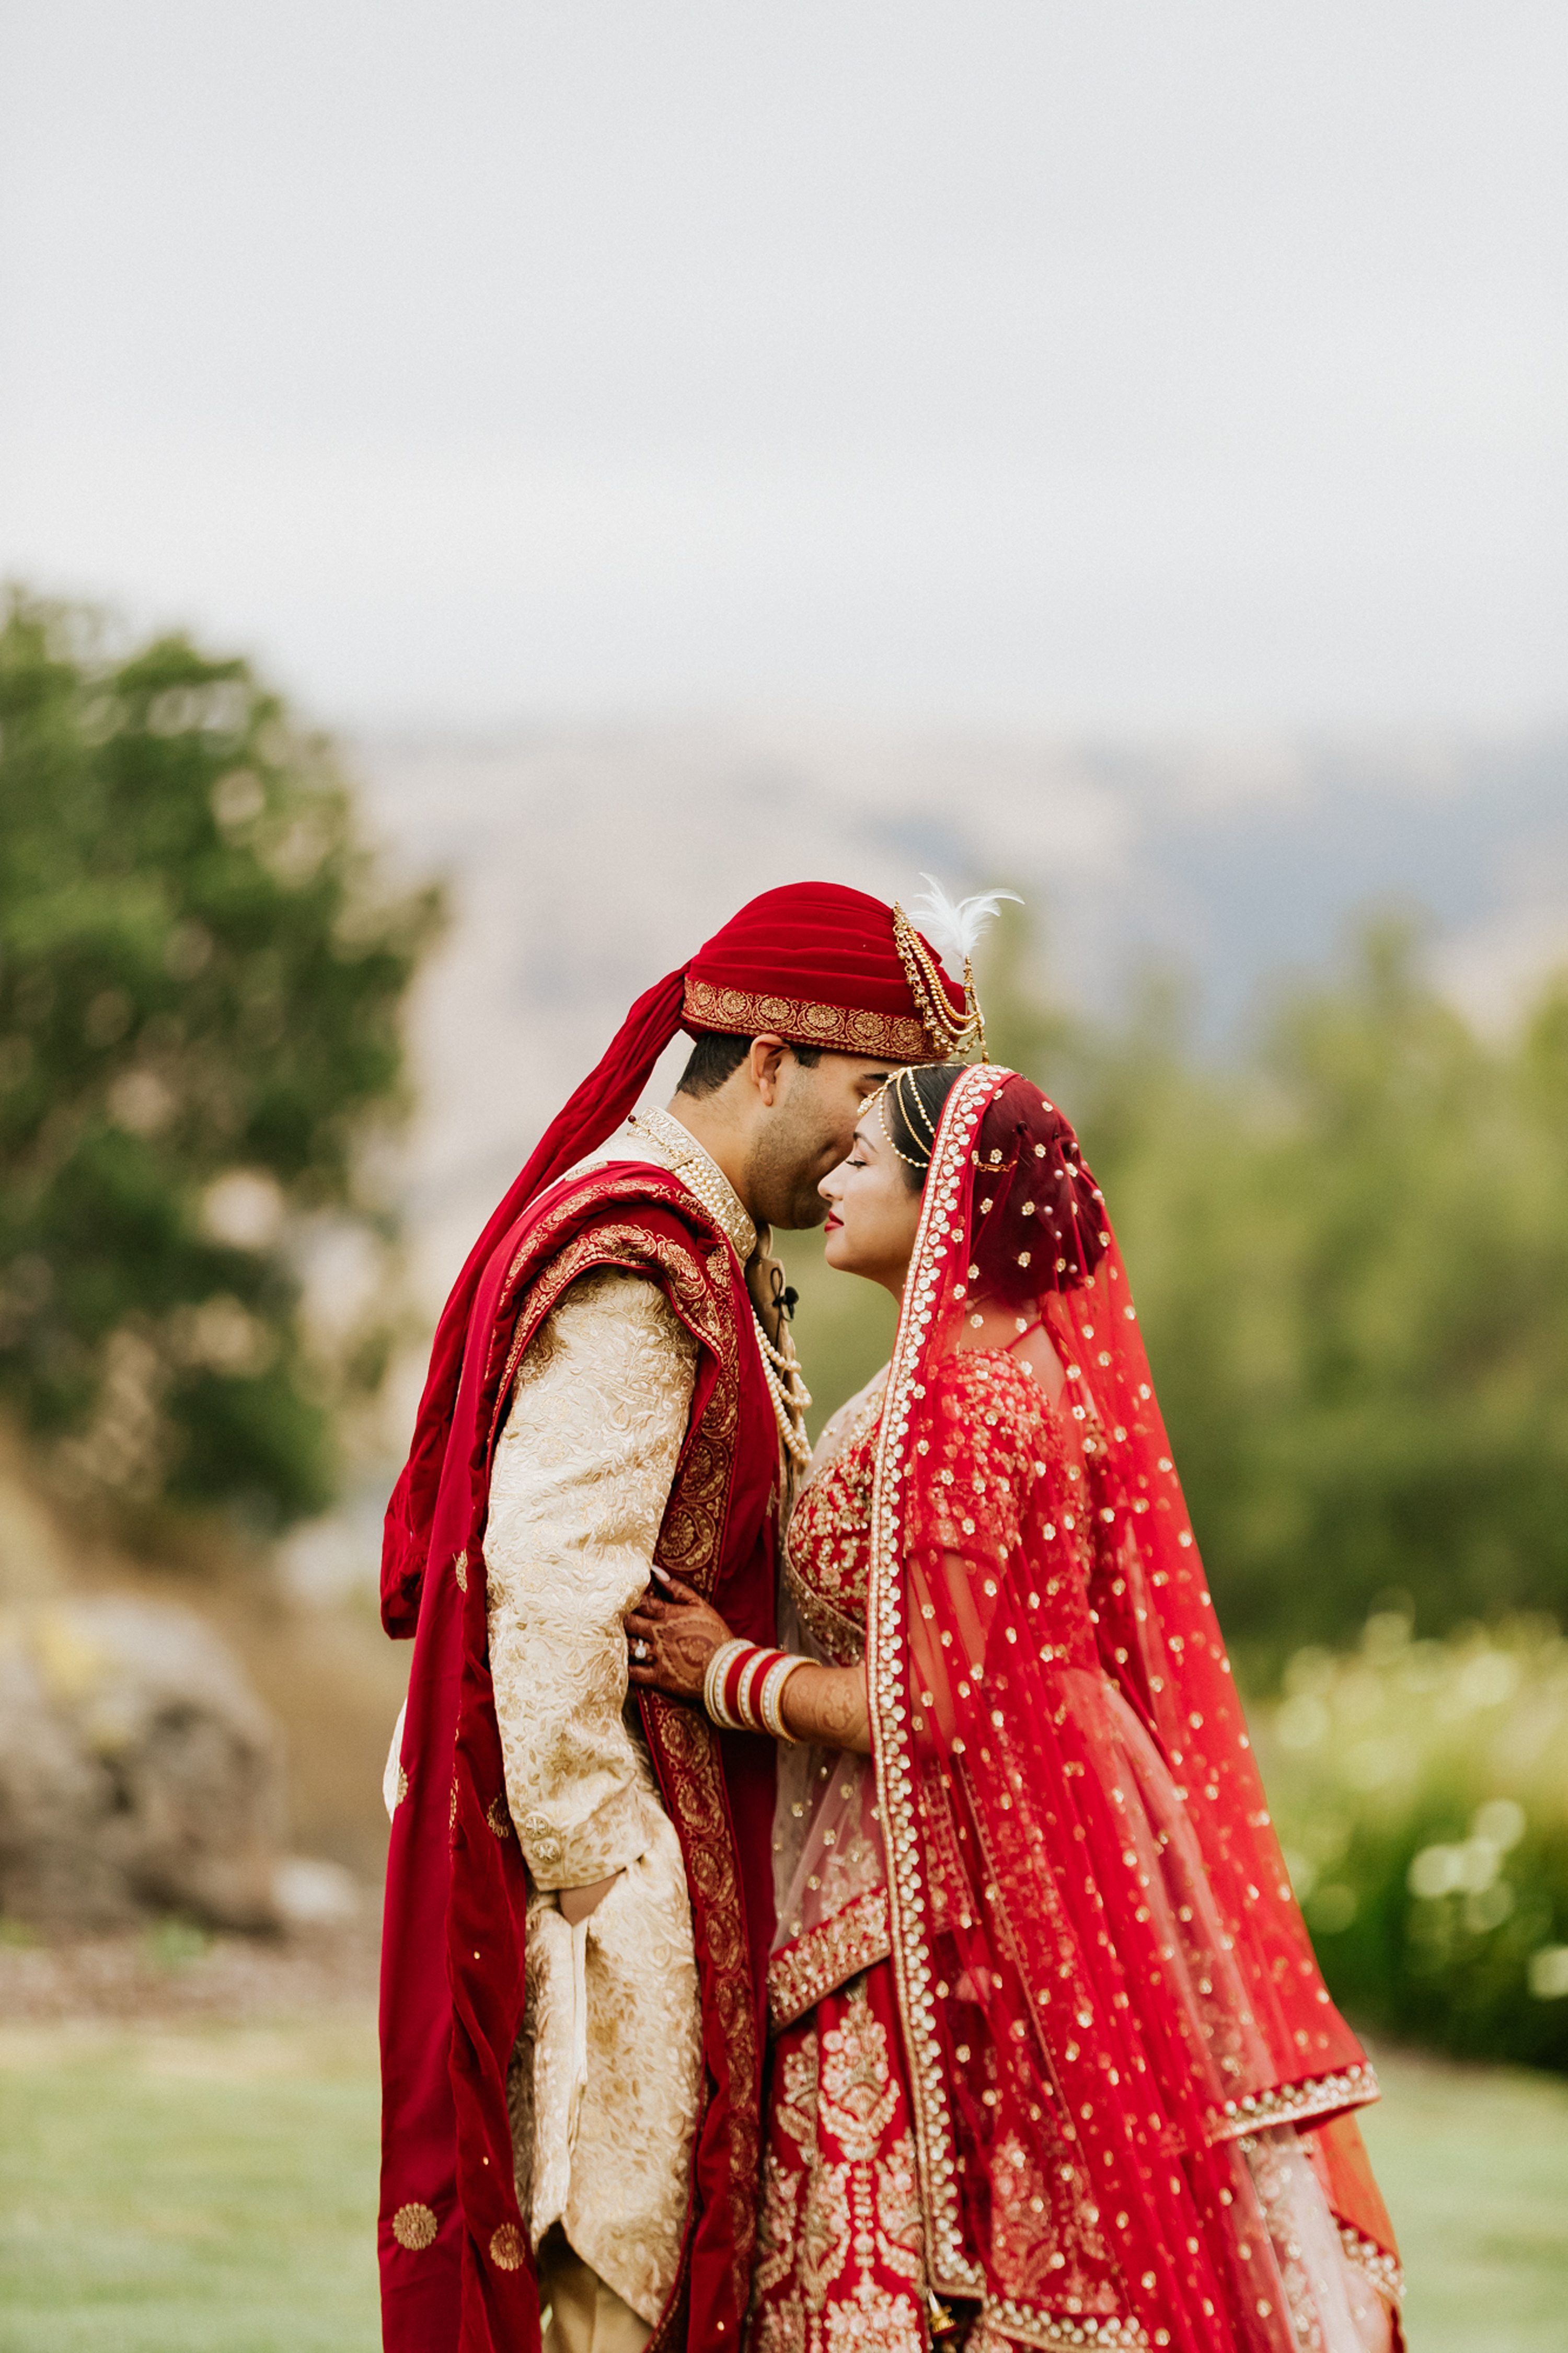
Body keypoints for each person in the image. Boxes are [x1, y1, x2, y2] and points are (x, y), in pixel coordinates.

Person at [629, 1054, 1405, 2353]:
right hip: (1045, 1839)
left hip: (945, 1881)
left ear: (951, 1198)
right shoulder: (999, 1369)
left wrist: (724, 1674)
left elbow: (936, 1704)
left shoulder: (968, 1404)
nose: (835, 1173)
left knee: (903, 2246)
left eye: (865, 1156)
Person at [376, 880, 995, 2353]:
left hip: (675, 1843)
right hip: (624, 1889)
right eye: (860, 1091)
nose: (867, 1138)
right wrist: (610, 1889)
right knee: (614, 2276)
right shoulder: (644, 1256)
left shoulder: (708, 1244)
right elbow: (552, 1581)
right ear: (771, 1055)